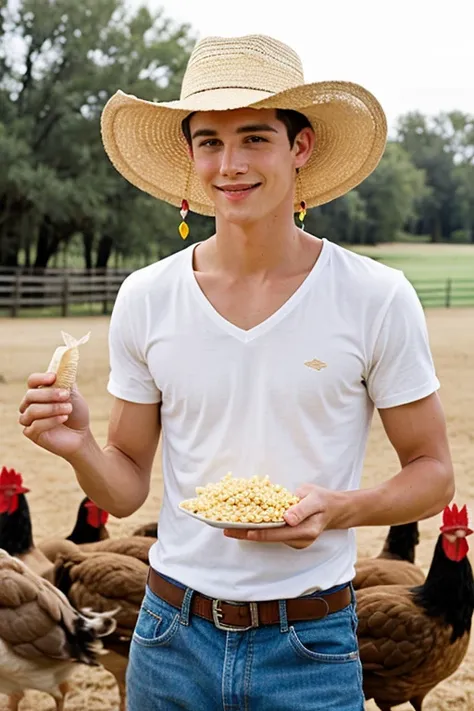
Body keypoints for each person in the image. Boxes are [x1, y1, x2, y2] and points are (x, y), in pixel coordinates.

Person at [18, 34, 454, 711]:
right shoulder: (148, 296)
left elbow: (433, 472)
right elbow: (127, 483)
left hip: (311, 645)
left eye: (254, 138)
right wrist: (78, 446)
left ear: (299, 146)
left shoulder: (375, 296)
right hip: (167, 640)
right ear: (191, 157)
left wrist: (339, 509)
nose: (230, 164)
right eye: (210, 142)